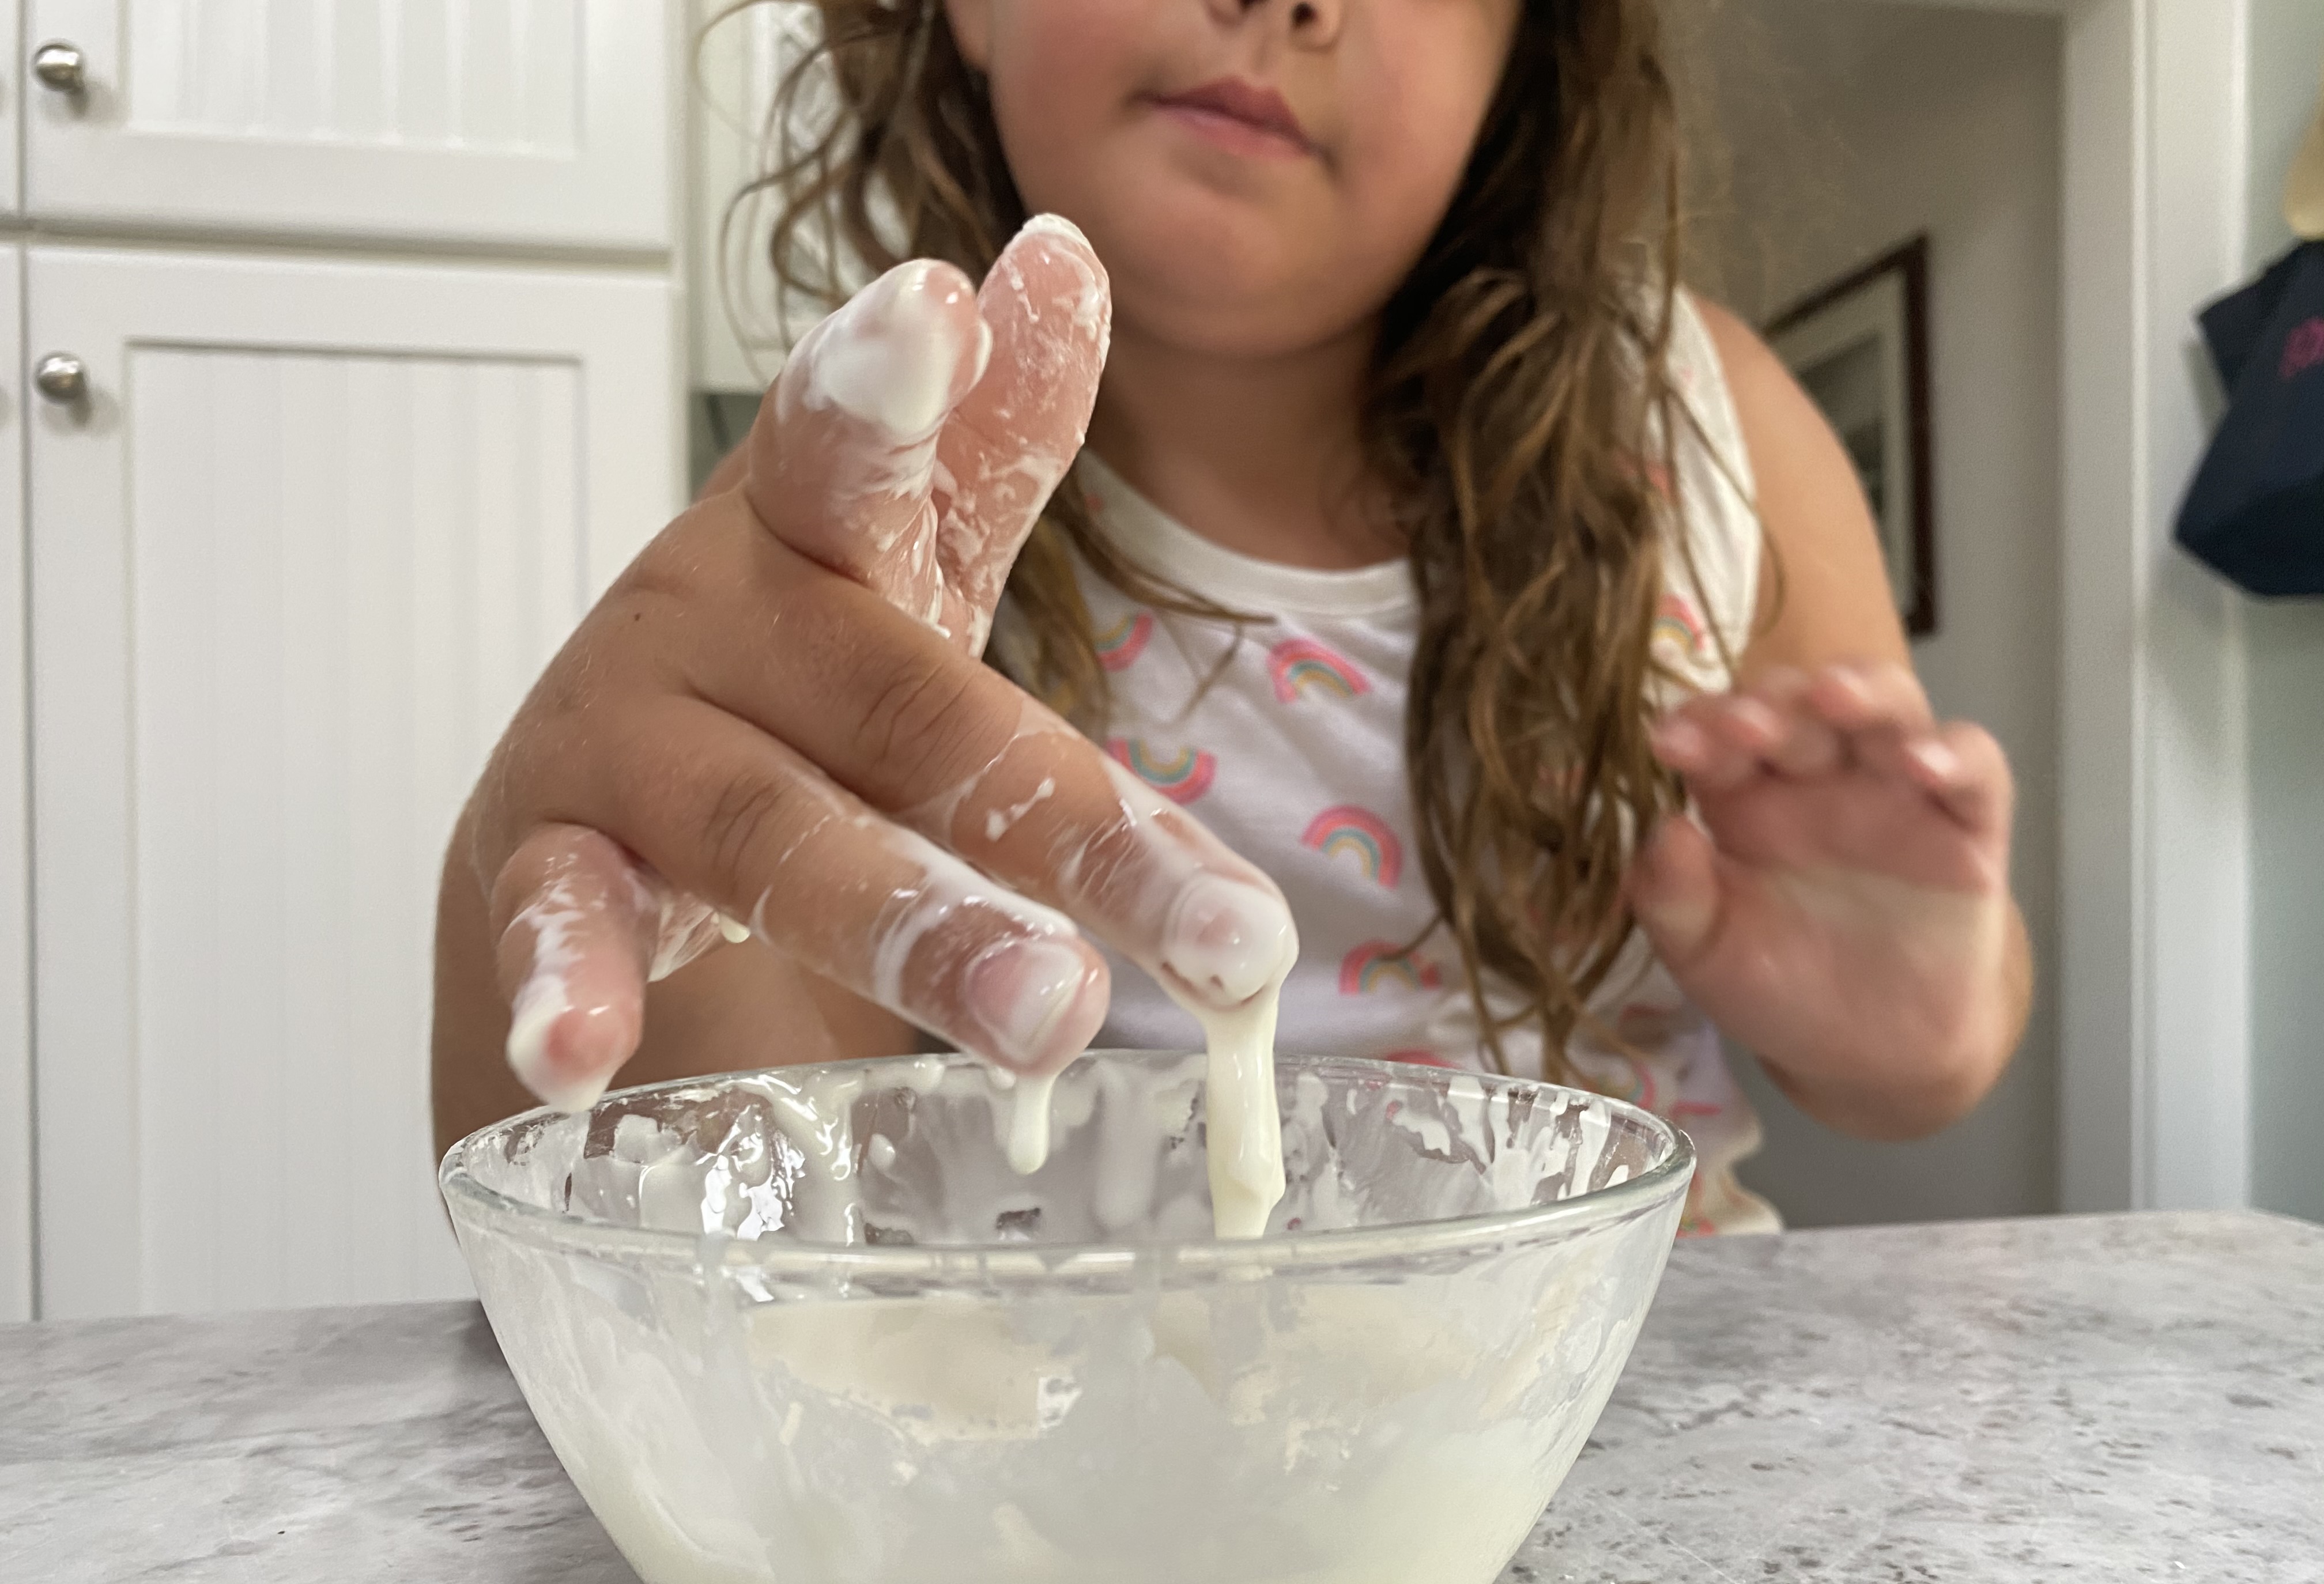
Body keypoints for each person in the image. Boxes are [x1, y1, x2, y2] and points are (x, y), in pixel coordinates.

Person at [431, 0, 2029, 1234]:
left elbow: (1913, 1053)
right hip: (1102, 1473)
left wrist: (1912, 1013)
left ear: (1526, 69)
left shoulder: (1707, 429)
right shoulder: (851, 531)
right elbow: (723, 1219)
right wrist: (562, 851)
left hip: (1661, 1414)